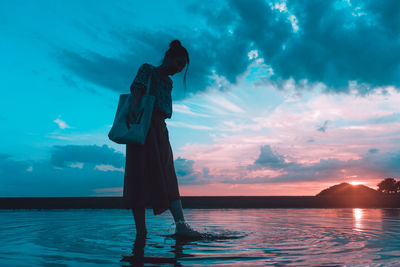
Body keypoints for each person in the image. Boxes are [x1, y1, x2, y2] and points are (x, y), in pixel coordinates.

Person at [123, 40, 201, 238]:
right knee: (138, 176)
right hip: (142, 127)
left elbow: (165, 109)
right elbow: (137, 92)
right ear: (168, 58)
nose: (178, 69)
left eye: (182, 67)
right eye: (178, 63)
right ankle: (141, 231)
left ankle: (181, 225)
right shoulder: (147, 69)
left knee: (168, 174)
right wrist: (133, 113)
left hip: (160, 129)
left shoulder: (169, 82)